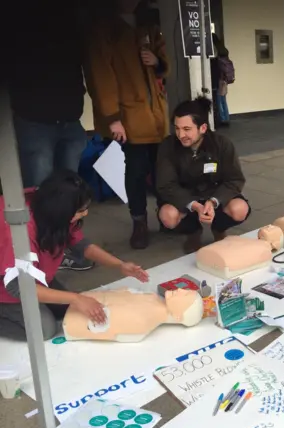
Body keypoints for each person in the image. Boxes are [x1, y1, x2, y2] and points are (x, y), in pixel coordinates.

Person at [0, 171, 149, 341]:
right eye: (80, 211)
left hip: (35, 277)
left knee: (72, 310)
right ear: (60, 209)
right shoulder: (19, 230)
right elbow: (18, 286)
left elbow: (81, 246)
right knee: (44, 329)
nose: (85, 214)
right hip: (8, 287)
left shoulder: (55, 211)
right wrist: (75, 298)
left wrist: (120, 265)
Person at [7, 0, 94, 272]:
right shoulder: (19, 17)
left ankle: (68, 248)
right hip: (35, 120)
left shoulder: (71, 18)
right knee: (40, 192)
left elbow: (81, 58)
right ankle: (42, 253)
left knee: (71, 194)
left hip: (69, 118)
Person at [84, 0, 170, 250]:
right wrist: (112, 117)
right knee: (136, 170)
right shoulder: (104, 29)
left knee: (162, 169)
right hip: (129, 117)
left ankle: (167, 216)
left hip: (156, 116)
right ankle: (139, 222)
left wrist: (157, 61)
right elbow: (100, 75)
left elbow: (166, 66)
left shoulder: (149, 26)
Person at [156, 97, 250, 254]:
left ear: (203, 128)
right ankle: (193, 233)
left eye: (187, 129)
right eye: (177, 128)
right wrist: (194, 205)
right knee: (168, 216)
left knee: (239, 209)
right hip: (185, 197)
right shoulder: (168, 146)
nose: (180, 135)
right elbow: (166, 185)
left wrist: (214, 202)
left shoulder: (222, 144)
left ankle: (219, 229)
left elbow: (235, 179)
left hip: (214, 194)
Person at [211, 35, 234, 128]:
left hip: (218, 80)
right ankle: (226, 118)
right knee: (223, 100)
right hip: (224, 79)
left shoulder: (215, 52)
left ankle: (222, 120)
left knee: (218, 100)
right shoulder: (223, 50)